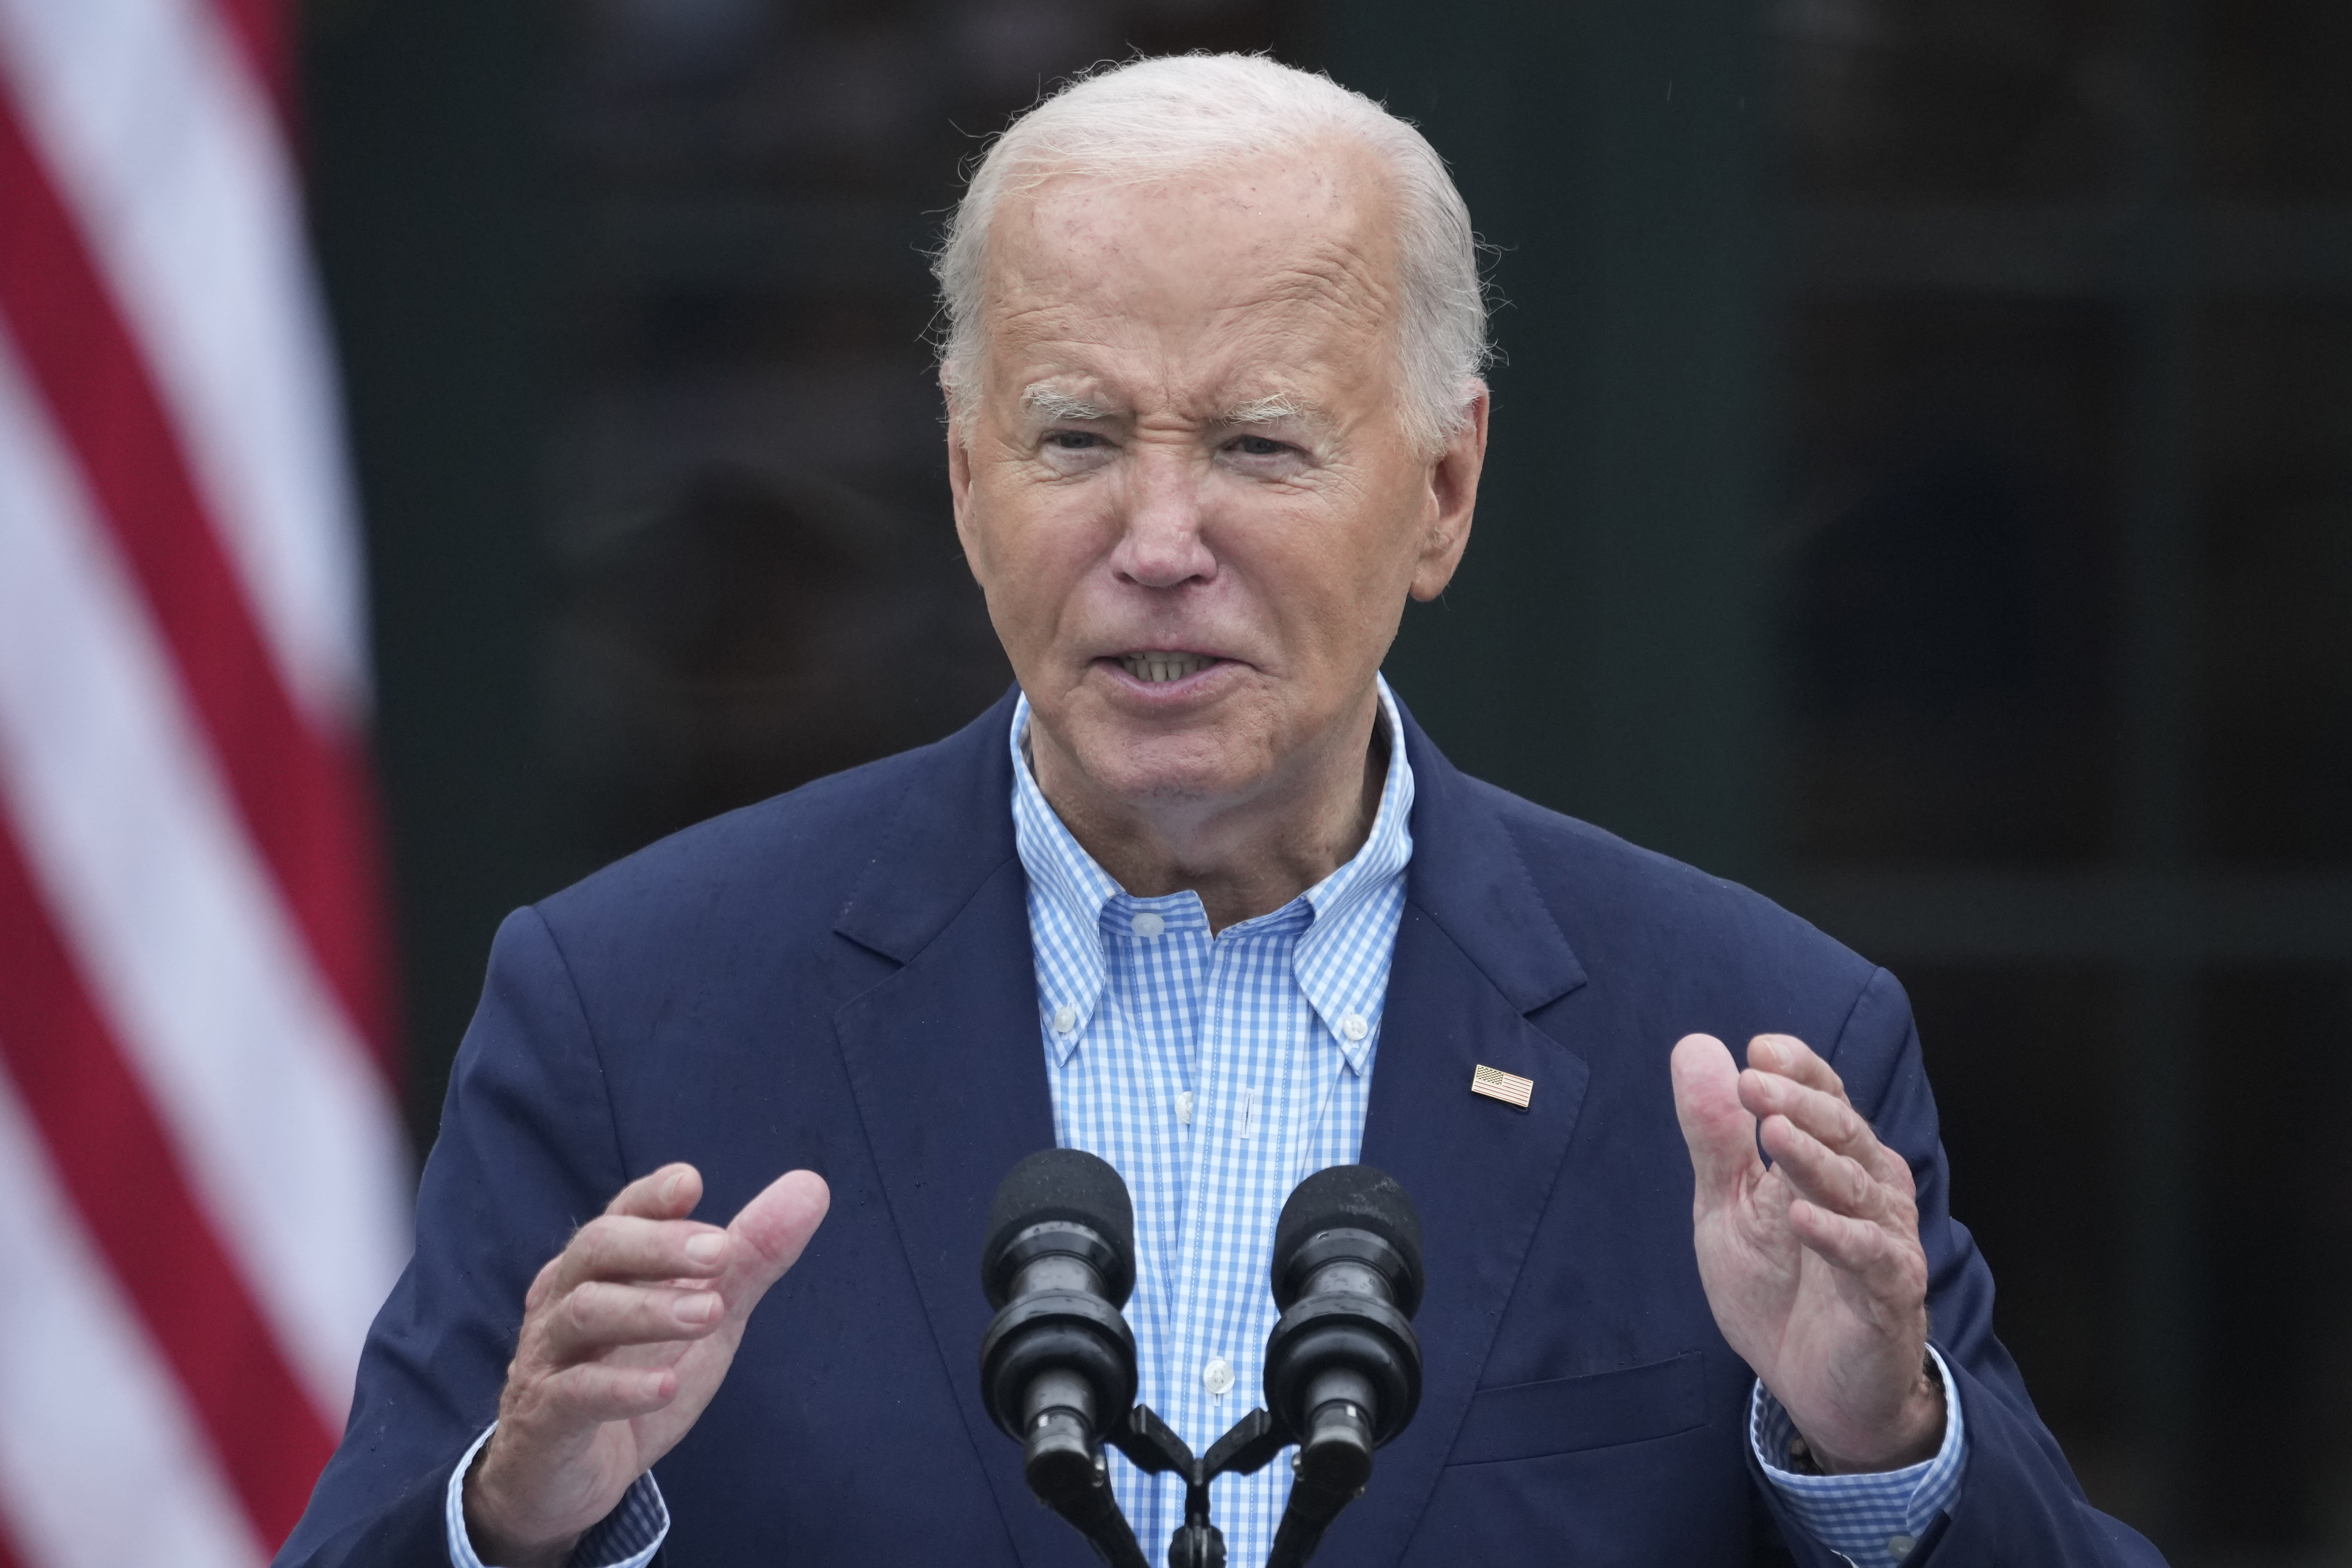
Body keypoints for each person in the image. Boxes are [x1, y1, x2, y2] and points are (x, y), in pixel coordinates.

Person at [279, 54, 2163, 1568]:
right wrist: (516, 1524)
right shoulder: (633, 1015)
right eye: (1078, 439)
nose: (1158, 544)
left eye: (1260, 446)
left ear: (1442, 488)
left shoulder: (1756, 1045)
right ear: (963, 477)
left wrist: (1876, 1452)